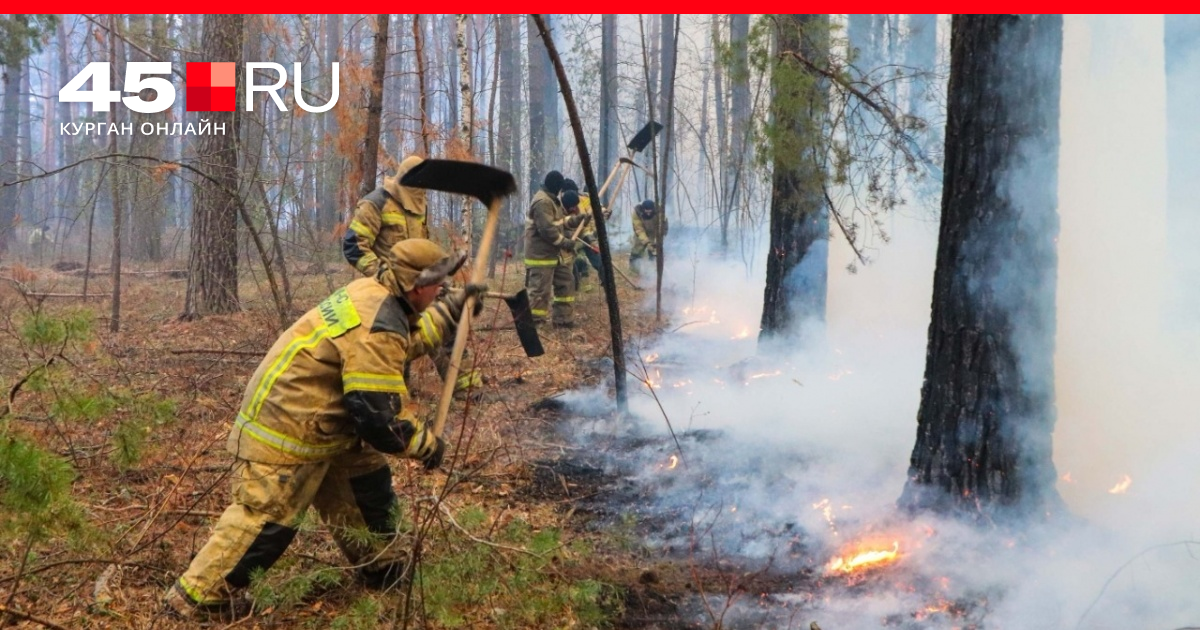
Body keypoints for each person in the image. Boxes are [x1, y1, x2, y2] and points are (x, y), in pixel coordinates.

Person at [165, 239, 487, 621]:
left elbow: (405, 342)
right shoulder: (379, 320)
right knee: (267, 519)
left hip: (328, 419)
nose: (442, 291)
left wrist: (451, 312)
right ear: (418, 286)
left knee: (366, 485)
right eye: (439, 288)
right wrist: (426, 445)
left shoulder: (377, 291)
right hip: (288, 424)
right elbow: (381, 420)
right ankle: (197, 598)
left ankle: (382, 566)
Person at [342, 155, 482, 397]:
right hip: (386, 289)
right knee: (395, 342)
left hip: (417, 286)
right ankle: (397, 392)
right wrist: (383, 275)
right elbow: (354, 246)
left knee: (443, 326)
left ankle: (466, 388)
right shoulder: (375, 203)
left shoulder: (420, 204)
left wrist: (436, 275)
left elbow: (420, 247)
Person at [523, 171, 584, 327]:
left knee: (566, 283)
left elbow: (560, 223)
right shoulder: (542, 202)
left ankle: (563, 320)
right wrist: (566, 243)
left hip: (555, 255)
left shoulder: (551, 200)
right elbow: (548, 231)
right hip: (540, 256)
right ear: (555, 186)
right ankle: (536, 323)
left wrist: (579, 219)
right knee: (540, 291)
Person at [560, 179, 605, 290]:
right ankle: (574, 287)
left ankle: (608, 286)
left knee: (600, 262)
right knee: (572, 265)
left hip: (586, 237)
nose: (574, 208)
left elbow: (588, 223)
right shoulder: (558, 207)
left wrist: (592, 241)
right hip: (571, 241)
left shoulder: (582, 200)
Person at [630, 199, 668, 272]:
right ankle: (634, 269)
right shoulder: (637, 213)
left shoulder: (660, 212)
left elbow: (661, 227)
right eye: (646, 212)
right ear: (643, 209)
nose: (648, 214)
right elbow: (639, 229)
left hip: (655, 232)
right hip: (641, 231)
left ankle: (654, 270)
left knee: (654, 251)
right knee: (637, 249)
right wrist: (647, 242)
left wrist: (656, 242)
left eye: (650, 212)